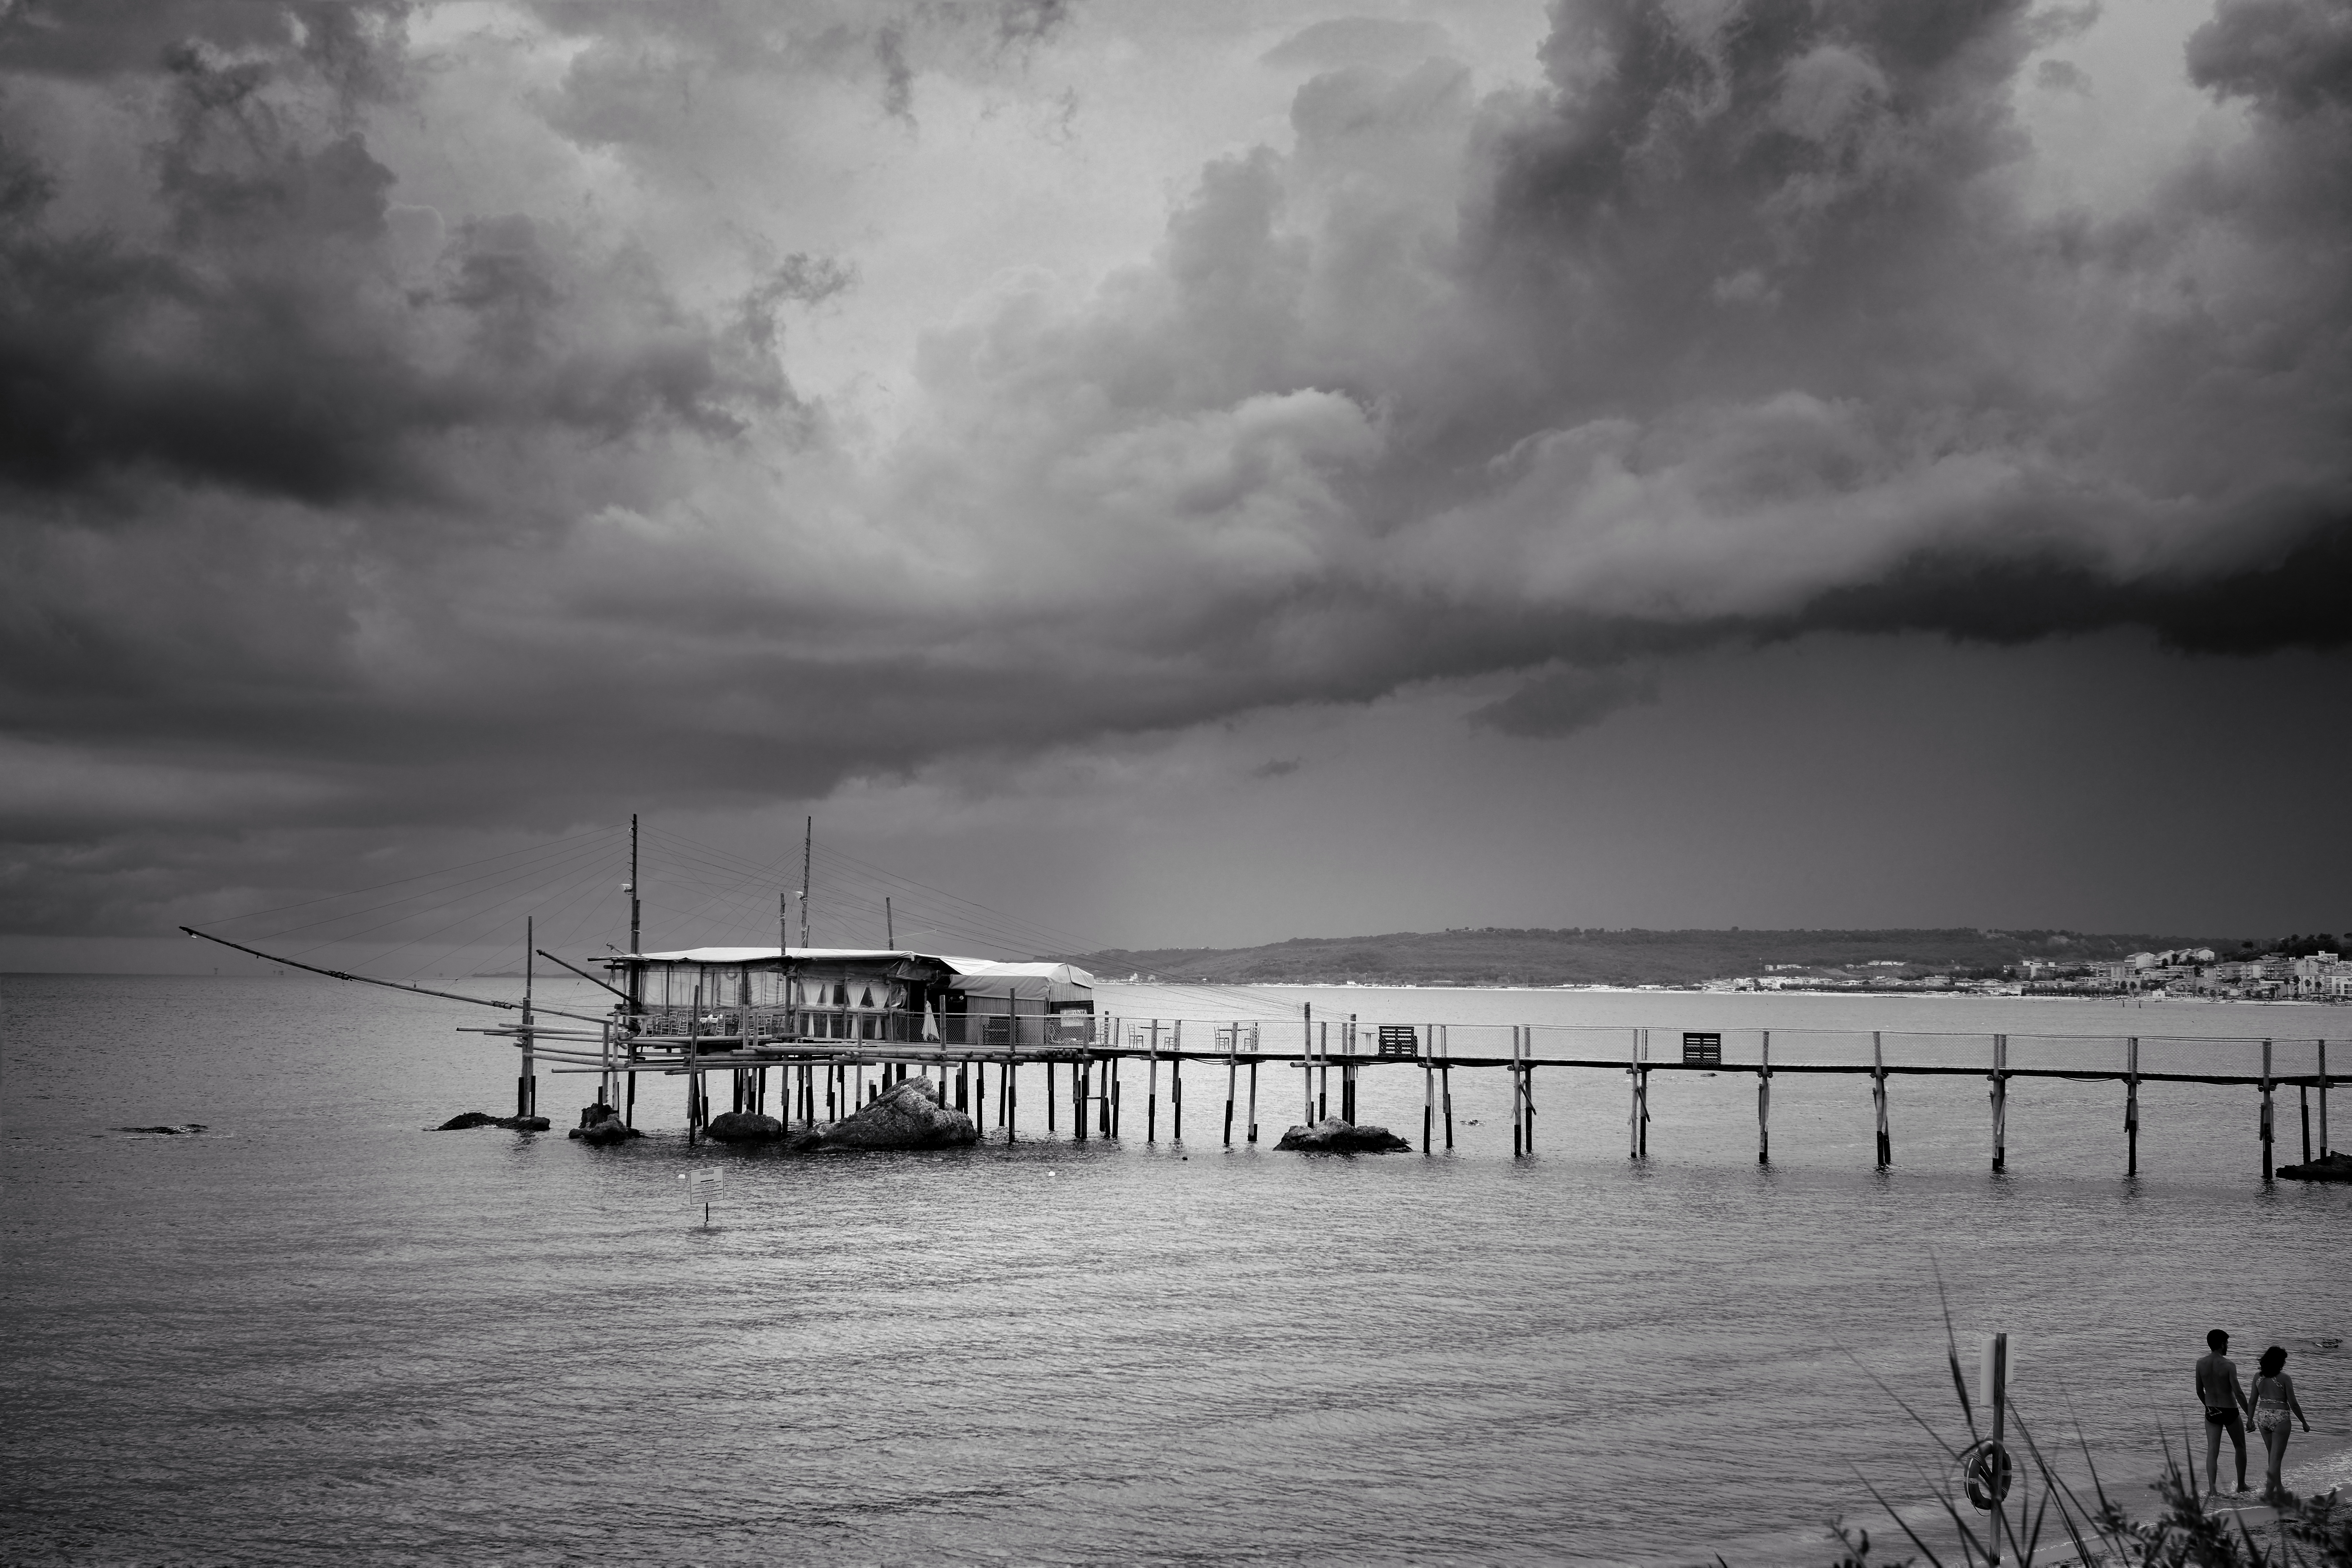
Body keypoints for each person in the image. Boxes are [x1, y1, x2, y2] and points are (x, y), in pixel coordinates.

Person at [2249, 1344, 2311, 1503]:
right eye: (2283, 1360)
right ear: (2279, 1362)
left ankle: (2280, 1489)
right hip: (2280, 1417)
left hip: (2263, 1416)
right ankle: (2268, 1493)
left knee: (2272, 1456)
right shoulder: (2284, 1378)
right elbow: (2294, 1404)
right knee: (2276, 1459)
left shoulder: (2257, 1377)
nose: (2284, 1363)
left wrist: (2249, 1420)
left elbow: (2252, 1401)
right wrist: (2304, 1422)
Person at [2196, 1329, 2251, 1494]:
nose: (2228, 1346)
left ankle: (2213, 1490)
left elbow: (2199, 1391)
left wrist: (2209, 1407)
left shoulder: (2200, 1363)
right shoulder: (2229, 1365)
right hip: (2230, 1411)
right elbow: (2239, 1393)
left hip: (2212, 1410)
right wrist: (2250, 1416)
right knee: (2240, 1447)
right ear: (2222, 1344)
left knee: (2213, 1450)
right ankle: (2241, 1486)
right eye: (2227, 1343)